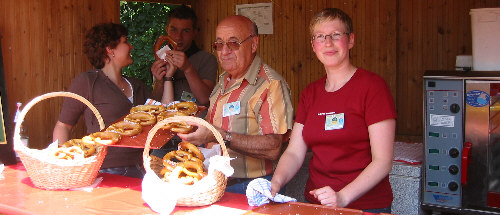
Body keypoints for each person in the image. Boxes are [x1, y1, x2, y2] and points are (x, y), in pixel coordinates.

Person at [270, 8, 396, 213]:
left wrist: (342, 197)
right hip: (316, 204)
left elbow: (383, 161)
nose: (328, 43)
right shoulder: (310, 93)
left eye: (336, 35)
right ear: (313, 45)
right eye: (320, 37)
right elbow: (294, 152)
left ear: (351, 40)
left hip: (365, 207)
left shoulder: (373, 87)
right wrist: (275, 183)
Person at [177, 15, 294, 194]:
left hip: (253, 187)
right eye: (219, 44)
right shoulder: (225, 79)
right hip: (217, 182)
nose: (224, 51)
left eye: (233, 43)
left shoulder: (270, 85)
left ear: (254, 44)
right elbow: (213, 129)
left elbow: (273, 148)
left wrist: (219, 136)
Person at [53, 23, 151, 178]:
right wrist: (64, 164)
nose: (131, 47)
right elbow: (63, 125)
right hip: (103, 170)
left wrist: (166, 78)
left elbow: (163, 113)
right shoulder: (88, 82)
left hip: (142, 169)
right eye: (125, 42)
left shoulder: (137, 85)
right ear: (110, 49)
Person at [150, 5, 217, 107]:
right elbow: (155, 102)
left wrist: (188, 68)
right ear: (167, 30)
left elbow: (205, 99)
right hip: (167, 119)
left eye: (185, 31)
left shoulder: (207, 59)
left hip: (196, 119)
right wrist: (159, 82)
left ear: (194, 32)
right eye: (174, 30)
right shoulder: (161, 58)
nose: (178, 37)